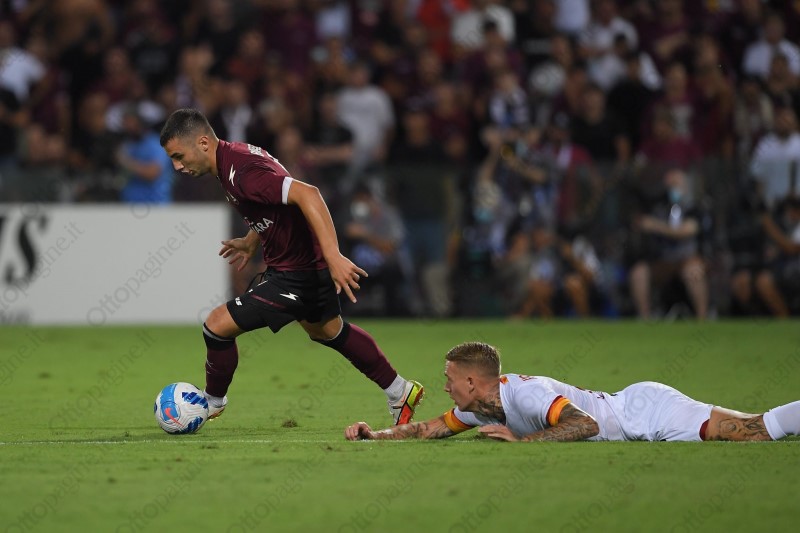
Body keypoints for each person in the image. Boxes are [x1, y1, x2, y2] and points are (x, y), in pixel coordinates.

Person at [158, 108, 424, 425]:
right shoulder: (232, 158)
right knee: (329, 331)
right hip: (299, 266)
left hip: (297, 274)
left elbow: (308, 194)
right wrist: (252, 239)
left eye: (178, 156)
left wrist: (334, 256)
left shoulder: (242, 171)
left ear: (203, 143)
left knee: (216, 326)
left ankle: (211, 402)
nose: (177, 166)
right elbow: (271, 206)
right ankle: (400, 390)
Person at [345, 341, 800, 443]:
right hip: (635, 417)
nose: (443, 385)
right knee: (754, 430)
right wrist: (375, 436)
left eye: (449, 378)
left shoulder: (525, 395)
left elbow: (587, 424)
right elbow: (428, 429)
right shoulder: (482, 409)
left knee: (756, 431)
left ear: (471, 382)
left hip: (648, 412)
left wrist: (523, 441)